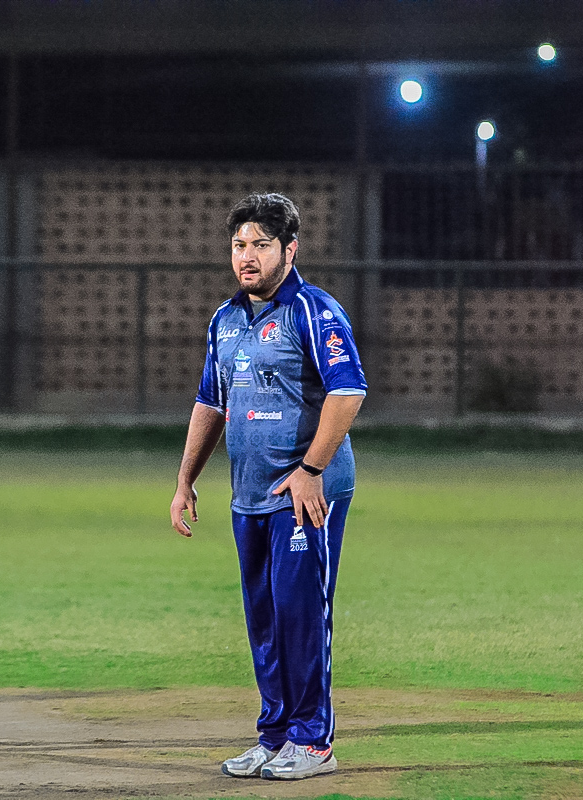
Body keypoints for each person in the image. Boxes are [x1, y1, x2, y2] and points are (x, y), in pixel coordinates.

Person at [169, 193, 367, 781]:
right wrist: (185, 479)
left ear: (290, 249)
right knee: (265, 618)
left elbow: (348, 392)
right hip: (249, 494)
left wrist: (311, 471)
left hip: (306, 494)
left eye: (261, 244)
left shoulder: (313, 310)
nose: (247, 256)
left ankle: (313, 742)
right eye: (239, 245)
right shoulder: (225, 320)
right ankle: (276, 734)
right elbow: (210, 402)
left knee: (300, 614)